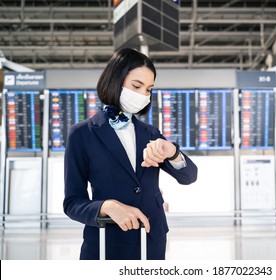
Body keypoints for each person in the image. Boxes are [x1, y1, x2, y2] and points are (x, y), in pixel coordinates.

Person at [63, 48, 198, 260]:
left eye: (149, 89)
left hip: (151, 242)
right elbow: (72, 203)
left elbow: (189, 176)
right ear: (115, 80)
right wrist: (107, 207)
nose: (143, 95)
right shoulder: (82, 134)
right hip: (106, 243)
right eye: (137, 86)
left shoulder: (151, 133)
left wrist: (172, 152)